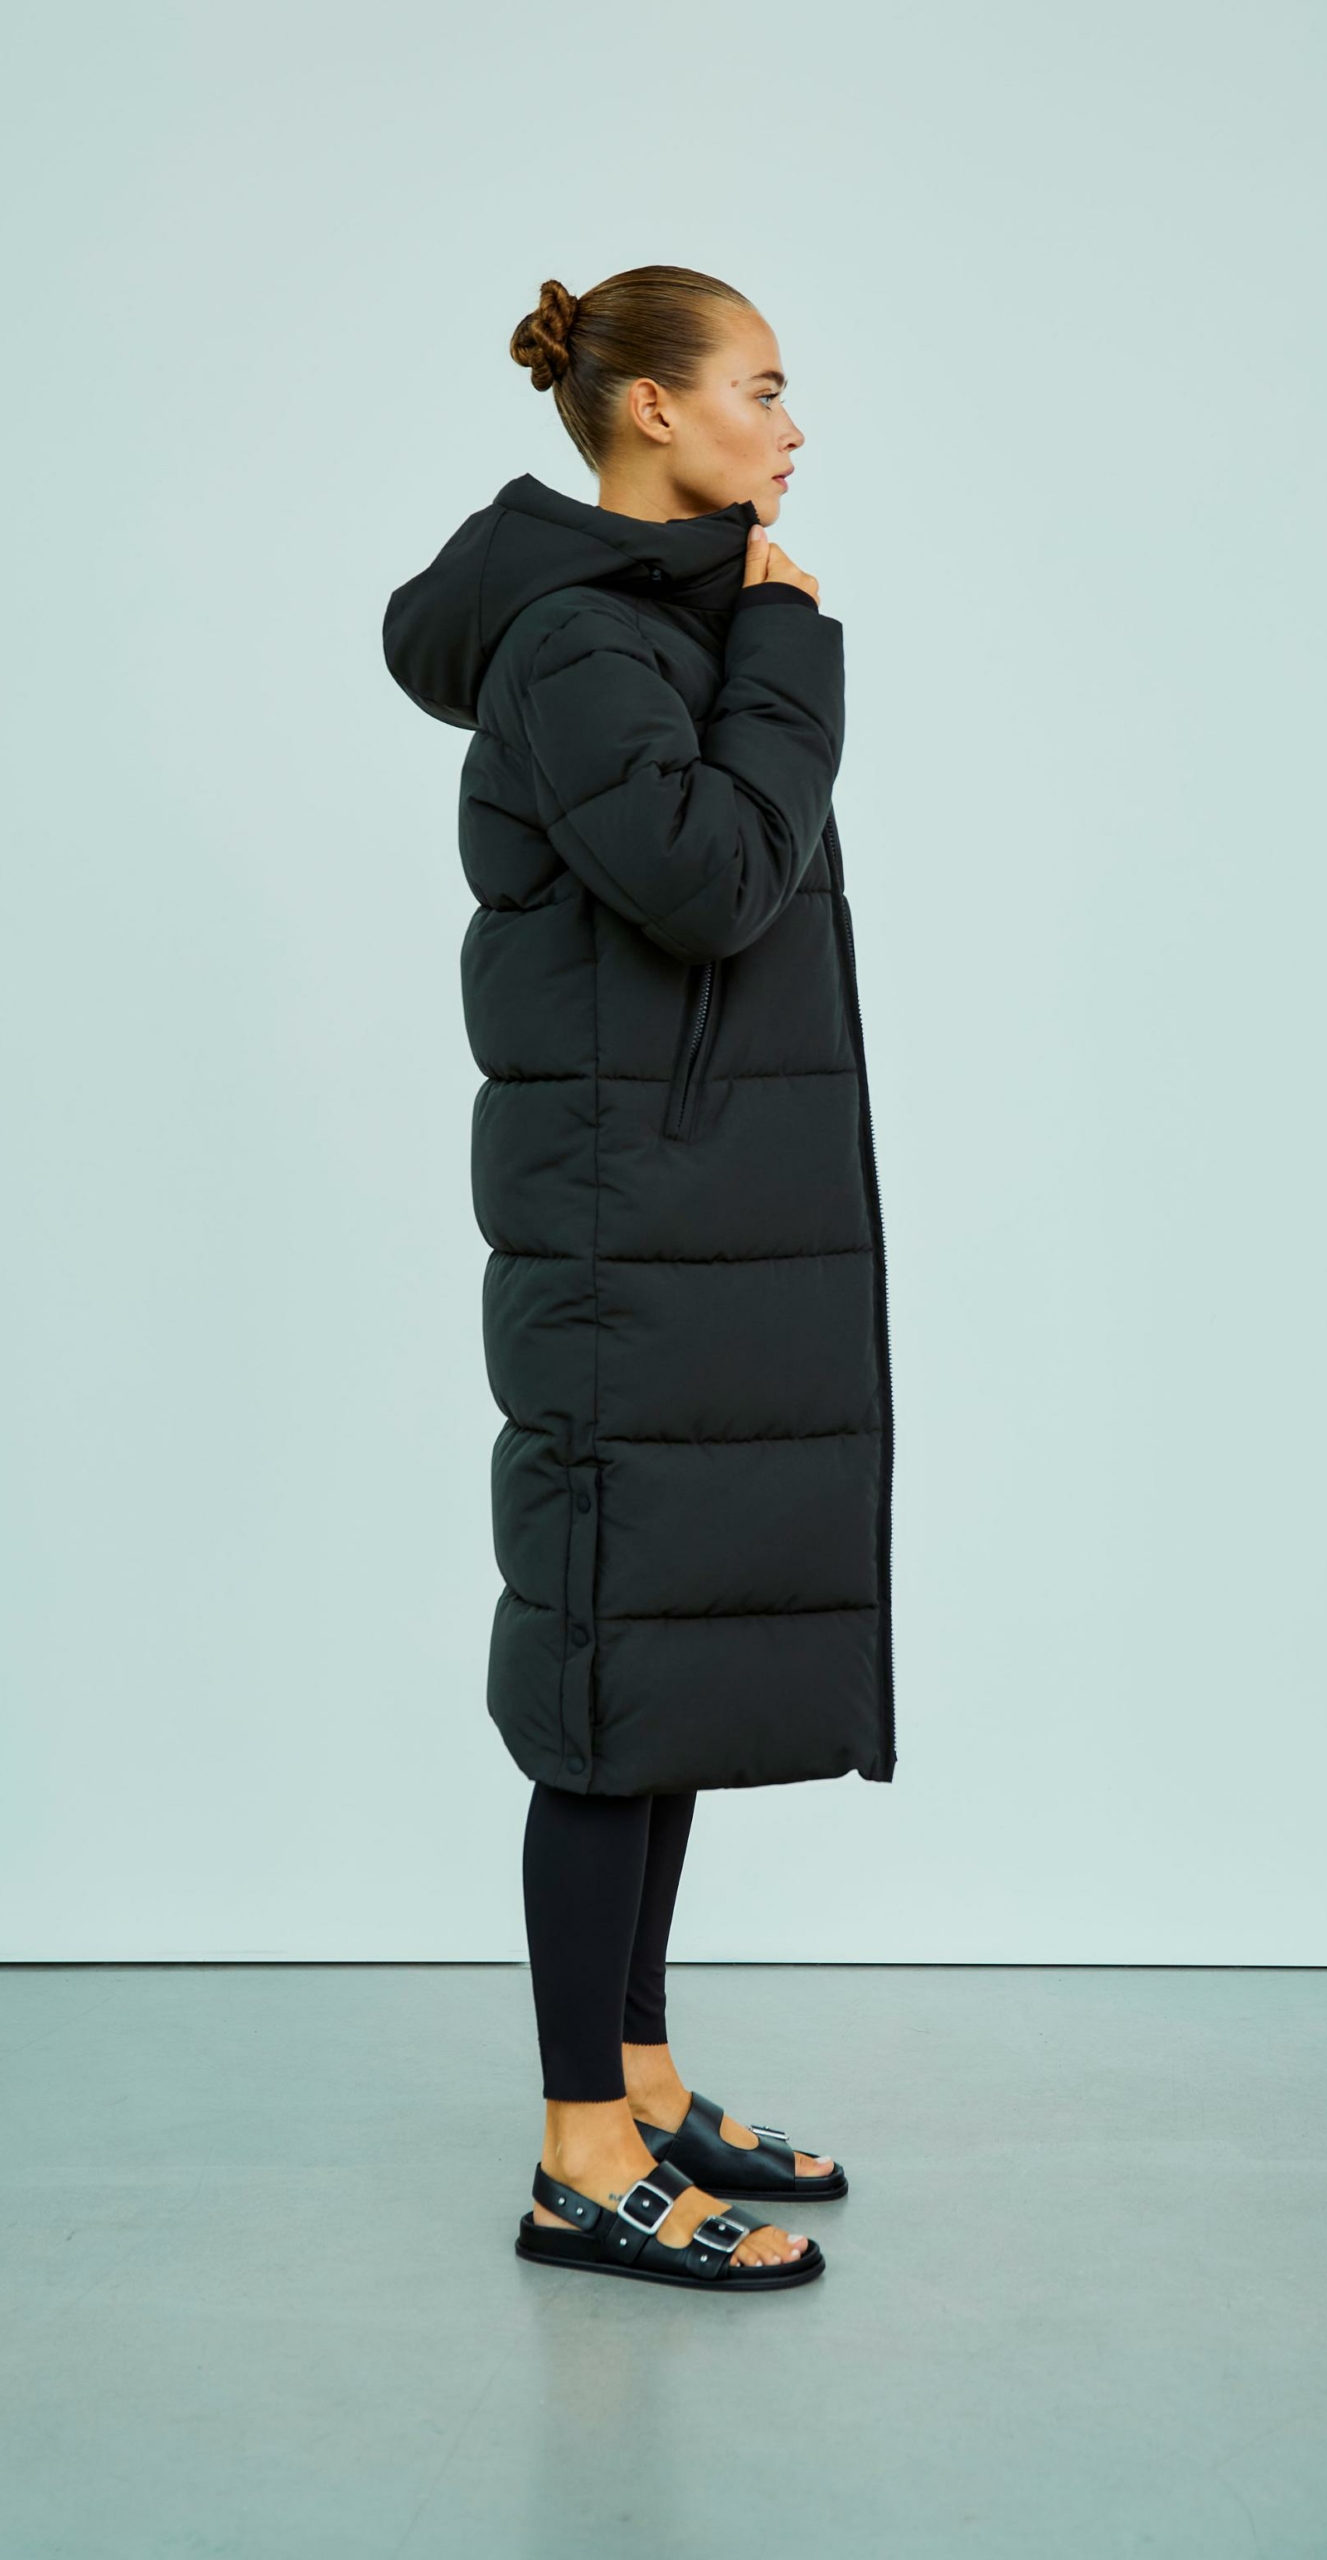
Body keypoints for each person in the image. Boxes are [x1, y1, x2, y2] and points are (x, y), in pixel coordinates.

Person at [381, 266, 895, 2293]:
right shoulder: (583, 639)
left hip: (686, 1223)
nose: (792, 424)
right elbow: (711, 878)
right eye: (761, 386)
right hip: (625, 1241)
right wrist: (787, 643)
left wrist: (752, 636)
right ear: (655, 411)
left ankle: (642, 2081)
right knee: (605, 1689)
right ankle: (576, 2153)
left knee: (659, 1666)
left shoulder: (649, 625)